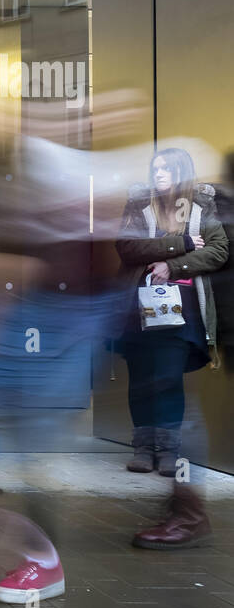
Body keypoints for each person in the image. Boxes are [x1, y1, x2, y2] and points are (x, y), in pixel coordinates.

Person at [115, 147, 227, 549]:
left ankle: (169, 451)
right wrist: (178, 243)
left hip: (183, 311)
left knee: (167, 378)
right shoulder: (139, 205)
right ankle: (144, 447)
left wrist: (173, 266)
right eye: (155, 167)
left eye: (167, 168)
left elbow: (217, 250)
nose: (159, 173)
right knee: (143, 376)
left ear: (183, 173)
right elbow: (127, 248)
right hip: (139, 307)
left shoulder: (202, 206)